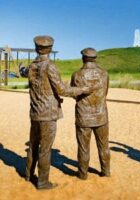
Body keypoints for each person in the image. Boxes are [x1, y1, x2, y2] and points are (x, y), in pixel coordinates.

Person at [20, 35, 90, 190]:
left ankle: (28, 175)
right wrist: (81, 90)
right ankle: (43, 182)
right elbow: (62, 89)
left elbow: (29, 76)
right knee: (45, 149)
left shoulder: (32, 66)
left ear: (37, 48)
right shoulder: (50, 66)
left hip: (35, 112)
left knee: (33, 145)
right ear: (50, 49)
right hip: (48, 114)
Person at [70, 47, 110, 180]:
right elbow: (105, 93)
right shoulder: (104, 74)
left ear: (83, 58)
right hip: (101, 115)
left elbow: (74, 94)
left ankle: (83, 174)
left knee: (83, 147)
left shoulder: (76, 75)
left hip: (84, 116)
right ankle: (105, 171)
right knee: (104, 145)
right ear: (95, 58)